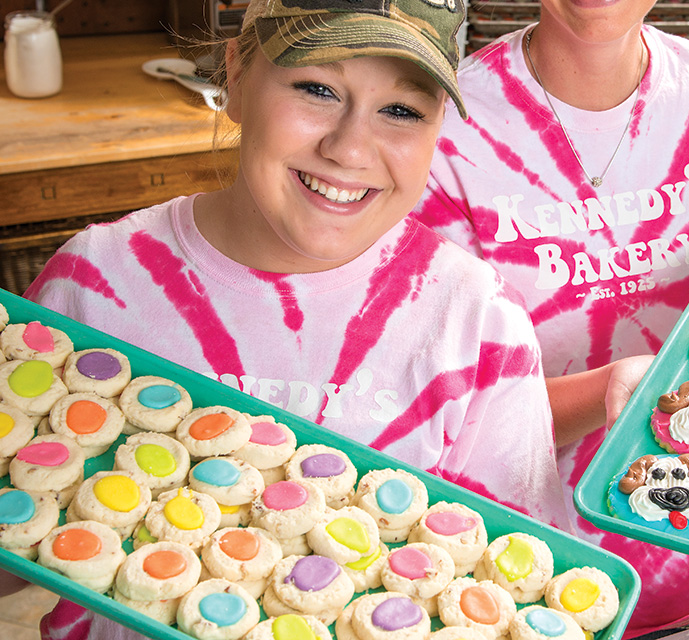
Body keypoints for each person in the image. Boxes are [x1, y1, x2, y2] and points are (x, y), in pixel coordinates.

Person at [1, 0, 571, 636]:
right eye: (317, 88)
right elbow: (19, 541)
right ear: (236, 75)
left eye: (401, 111)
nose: (350, 149)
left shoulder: (477, 322)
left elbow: (507, 595)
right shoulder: (96, 282)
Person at [413, 0, 689, 637]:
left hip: (688, 548)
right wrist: (613, 388)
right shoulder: (446, 123)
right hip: (517, 576)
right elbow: (446, 416)